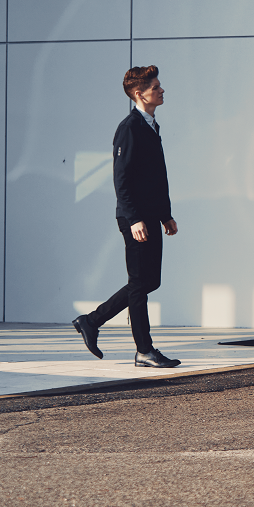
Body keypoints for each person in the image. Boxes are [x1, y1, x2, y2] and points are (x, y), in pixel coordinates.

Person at [72, 66, 182, 367]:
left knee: (149, 281)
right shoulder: (130, 127)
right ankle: (144, 350)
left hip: (149, 215)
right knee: (139, 282)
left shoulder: (150, 125)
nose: (161, 91)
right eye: (156, 87)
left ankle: (92, 321)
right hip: (135, 219)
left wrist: (165, 214)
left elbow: (155, 177)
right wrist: (134, 219)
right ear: (139, 93)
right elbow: (121, 178)